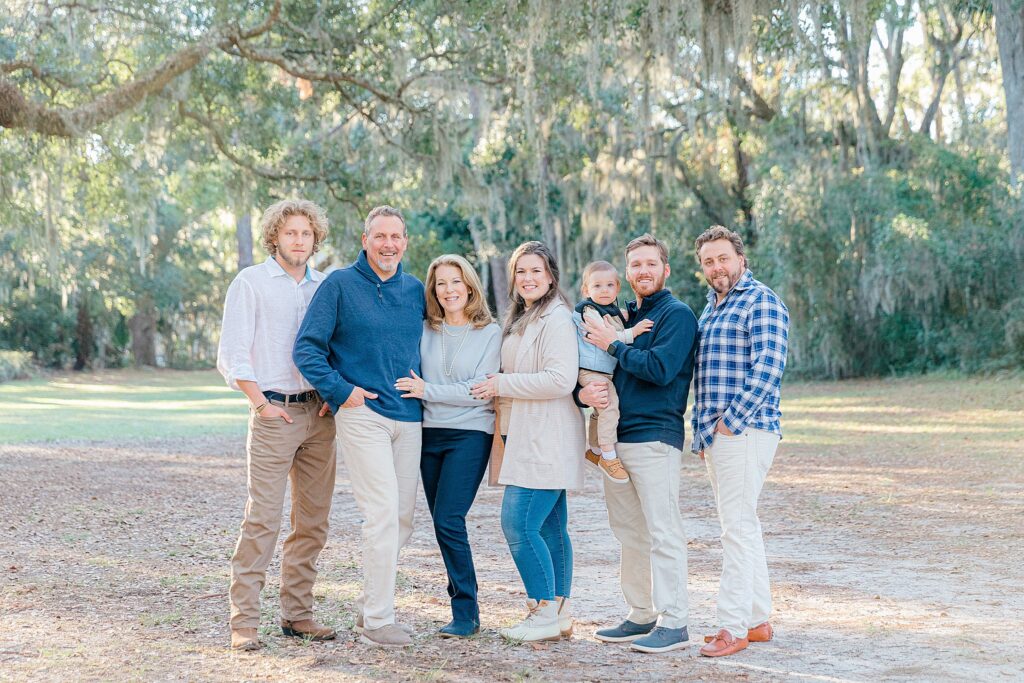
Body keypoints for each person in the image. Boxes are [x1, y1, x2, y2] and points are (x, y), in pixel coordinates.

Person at [293, 205, 425, 648]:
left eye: (396, 236)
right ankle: (376, 620)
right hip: (362, 413)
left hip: (409, 417)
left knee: (402, 519)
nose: (389, 244)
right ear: (364, 240)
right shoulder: (339, 285)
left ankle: (373, 601)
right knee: (383, 513)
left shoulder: (414, 290)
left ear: (405, 242)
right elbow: (307, 349)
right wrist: (340, 391)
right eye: (380, 236)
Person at [216, 199, 337, 651]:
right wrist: (259, 403)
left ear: (315, 238)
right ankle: (244, 621)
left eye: (306, 233)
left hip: (319, 416)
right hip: (273, 413)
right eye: (291, 233)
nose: (299, 241)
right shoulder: (250, 283)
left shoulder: (325, 286)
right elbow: (233, 351)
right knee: (263, 519)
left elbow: (333, 349)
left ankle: (298, 615)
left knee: (312, 522)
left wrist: (332, 396)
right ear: (275, 237)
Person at [578, 233, 698, 654]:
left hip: (655, 438)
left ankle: (675, 621)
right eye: (635, 265)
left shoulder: (677, 315)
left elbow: (662, 369)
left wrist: (613, 343)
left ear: (666, 269)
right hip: (619, 440)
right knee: (630, 532)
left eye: (651, 263)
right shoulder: (623, 317)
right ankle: (641, 613)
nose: (642, 271)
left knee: (663, 531)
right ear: (627, 273)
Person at [469, 241, 585, 642]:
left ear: (551, 276)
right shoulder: (525, 316)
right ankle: (560, 612)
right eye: (521, 271)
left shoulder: (556, 319)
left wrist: (501, 383)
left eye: (536, 271)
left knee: (517, 523)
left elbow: (560, 379)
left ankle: (543, 609)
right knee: (551, 528)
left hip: (546, 437)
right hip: (526, 433)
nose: (528, 278)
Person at [690, 225, 790, 658]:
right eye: (709, 262)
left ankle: (732, 628)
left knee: (736, 529)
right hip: (719, 434)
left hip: (746, 430)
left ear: (740, 258)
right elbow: (702, 376)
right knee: (744, 524)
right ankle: (757, 619)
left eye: (723, 258)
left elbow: (768, 368)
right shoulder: (710, 309)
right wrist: (703, 432)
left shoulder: (761, 301)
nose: (717, 267)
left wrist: (730, 423)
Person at [393, 254, 501, 639]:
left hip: (471, 434)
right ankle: (462, 605)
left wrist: (428, 391)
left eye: (456, 282)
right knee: (442, 523)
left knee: (448, 518)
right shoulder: (424, 329)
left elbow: (479, 392)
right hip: (429, 434)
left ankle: (466, 611)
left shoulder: (490, 332)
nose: (449, 290)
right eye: (441, 283)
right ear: (433, 290)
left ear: (469, 285)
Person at [573, 260, 654, 484]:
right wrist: (633, 331)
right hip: (592, 370)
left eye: (609, 285)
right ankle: (608, 457)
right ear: (586, 290)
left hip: (602, 369)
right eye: (597, 286)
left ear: (617, 288)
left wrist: (625, 317)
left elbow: (615, 322)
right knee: (609, 406)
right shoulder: (588, 311)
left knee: (600, 411)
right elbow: (608, 338)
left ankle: (595, 451)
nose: (604, 290)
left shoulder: (609, 310)